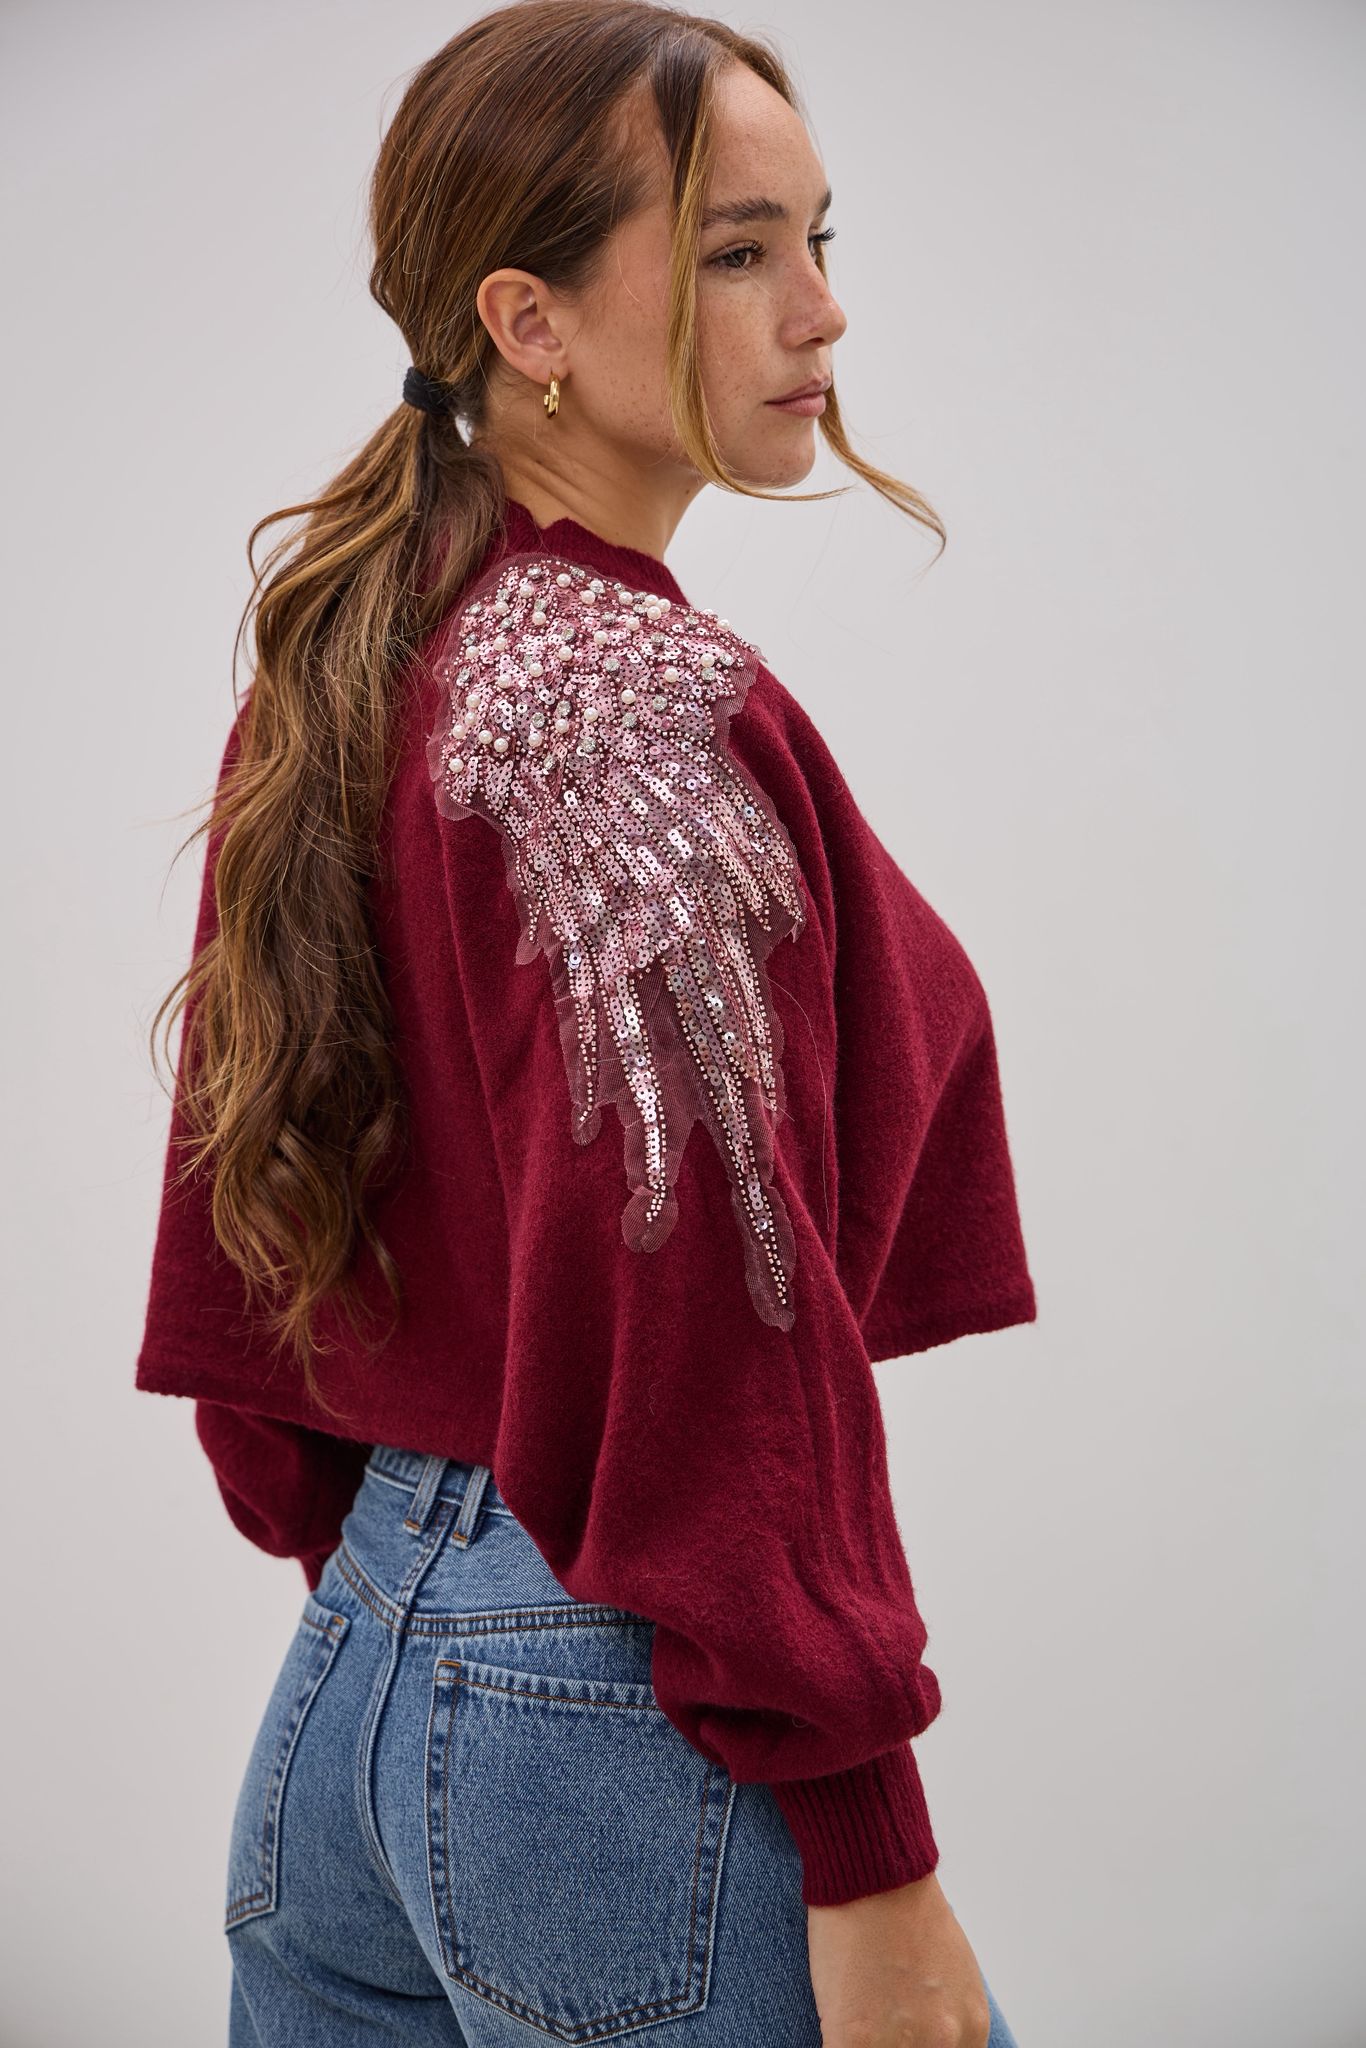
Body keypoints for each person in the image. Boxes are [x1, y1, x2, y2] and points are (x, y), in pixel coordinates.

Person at [135, 7, 1037, 2044]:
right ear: (525, 321)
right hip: (615, 1699)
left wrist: (392, 1595)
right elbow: (706, 1295)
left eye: (816, 239)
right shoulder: (625, 701)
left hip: (352, 1694)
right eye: (732, 251)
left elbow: (257, 1171)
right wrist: (868, 1844)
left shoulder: (369, 638)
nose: (818, 309)